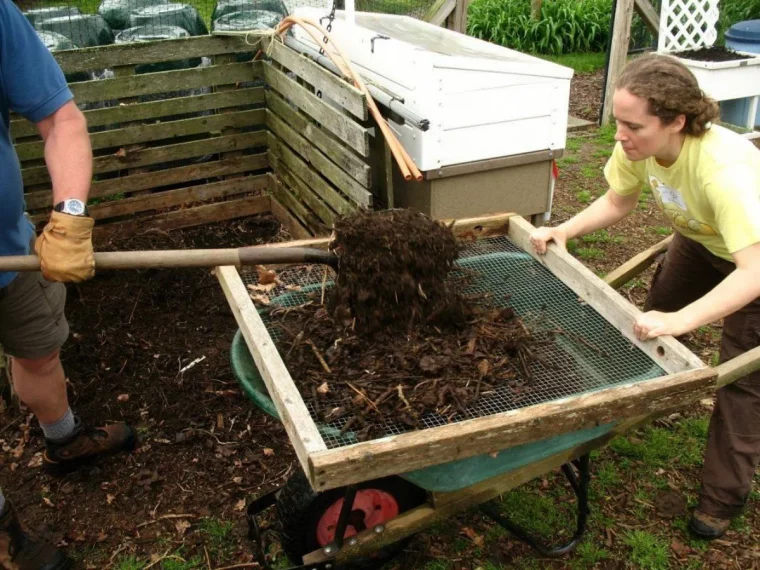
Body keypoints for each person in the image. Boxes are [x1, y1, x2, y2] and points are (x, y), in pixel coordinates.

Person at [530, 54, 760, 540]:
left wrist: (684, 321)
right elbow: (619, 200)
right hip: (701, 240)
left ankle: (721, 498)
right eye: (618, 122)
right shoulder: (639, 147)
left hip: (754, 263)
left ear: (677, 121)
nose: (619, 135)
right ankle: (632, 400)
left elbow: (754, 272)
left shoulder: (723, 170)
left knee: (742, 382)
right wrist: (564, 230)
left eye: (633, 125)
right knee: (647, 318)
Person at [0, 1, 136, 567]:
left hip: (10, 252)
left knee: (40, 353)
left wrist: (71, 217)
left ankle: (63, 438)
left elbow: (59, 119)